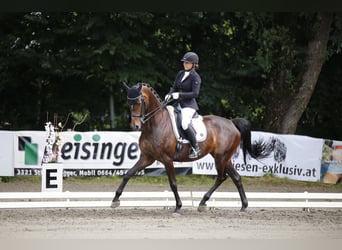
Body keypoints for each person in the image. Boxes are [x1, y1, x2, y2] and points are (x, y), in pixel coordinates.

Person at [164, 51, 202, 159]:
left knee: (185, 124)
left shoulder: (196, 77)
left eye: (188, 63)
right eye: (184, 62)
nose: (185, 64)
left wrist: (179, 94)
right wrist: (170, 94)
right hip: (177, 104)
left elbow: (195, 93)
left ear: (194, 64)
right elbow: (174, 87)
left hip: (189, 106)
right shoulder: (180, 73)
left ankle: (195, 147)